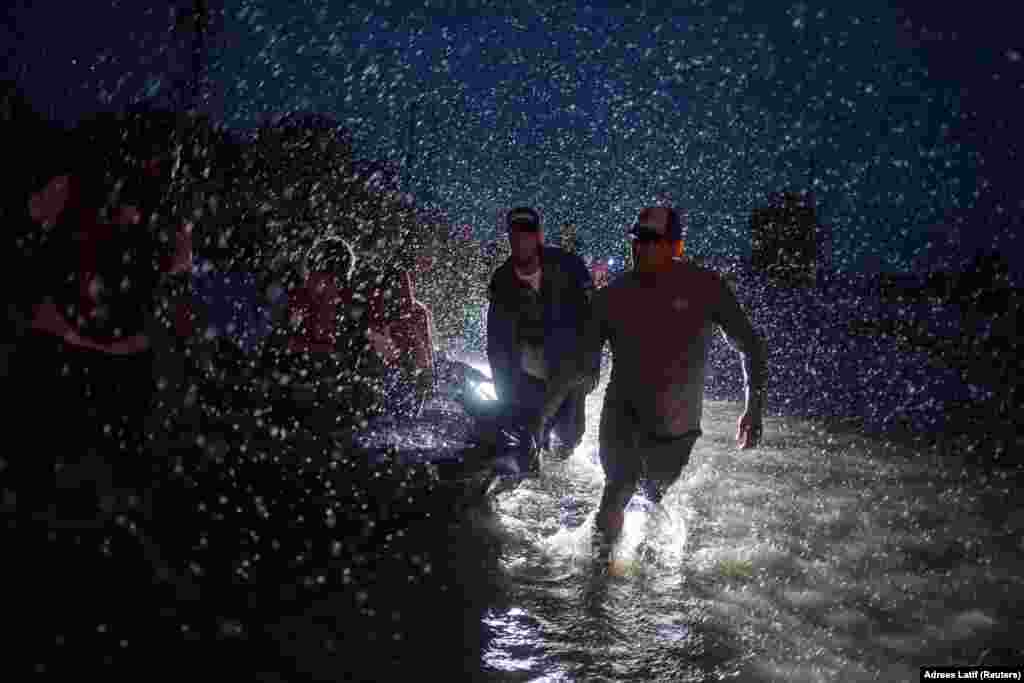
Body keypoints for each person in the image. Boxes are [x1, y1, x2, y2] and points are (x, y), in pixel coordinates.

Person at [531, 206, 767, 565]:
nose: (639, 248)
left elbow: (749, 344)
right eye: (636, 240)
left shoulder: (706, 287)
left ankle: (640, 564)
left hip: (677, 430)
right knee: (617, 490)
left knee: (648, 497)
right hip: (622, 417)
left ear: (676, 247)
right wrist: (540, 417)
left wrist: (753, 406)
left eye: (651, 241)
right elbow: (579, 368)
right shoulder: (613, 296)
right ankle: (596, 585)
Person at [486, 206, 601, 475]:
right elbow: (496, 345)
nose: (522, 239)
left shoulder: (570, 267)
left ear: (539, 235)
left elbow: (594, 320)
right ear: (509, 237)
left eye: (528, 232)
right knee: (530, 432)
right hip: (529, 372)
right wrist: (506, 400)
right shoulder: (502, 281)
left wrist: (590, 369)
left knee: (567, 438)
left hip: (571, 370)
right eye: (516, 233)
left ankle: (559, 448)